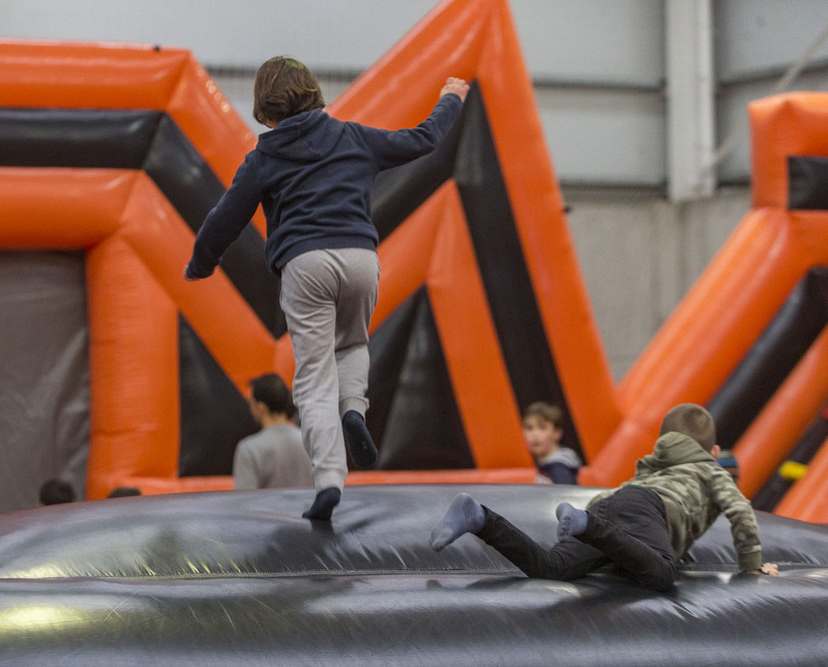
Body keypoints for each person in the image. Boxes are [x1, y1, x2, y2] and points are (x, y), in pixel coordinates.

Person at [185, 55, 469, 520]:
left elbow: (225, 219)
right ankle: (354, 409)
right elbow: (424, 139)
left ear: (266, 111)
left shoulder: (264, 158)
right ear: (313, 93)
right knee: (353, 343)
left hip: (305, 261)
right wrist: (450, 100)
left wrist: (200, 264)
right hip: (361, 256)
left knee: (314, 377)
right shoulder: (352, 136)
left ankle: (330, 480)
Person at [431, 403, 778, 591]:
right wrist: (753, 567)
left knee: (551, 568)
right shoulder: (713, 470)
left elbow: (630, 506)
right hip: (641, 509)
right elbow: (741, 511)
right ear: (714, 451)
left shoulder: (653, 466)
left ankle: (480, 517)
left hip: (613, 500)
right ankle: (587, 524)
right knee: (660, 576)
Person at [233, 373, 314, 490]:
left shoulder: (249, 449)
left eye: (251, 403)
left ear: (261, 408)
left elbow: (244, 500)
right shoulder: (309, 441)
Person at [522, 402, 581, 484]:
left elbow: (563, 495)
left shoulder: (559, 467)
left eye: (542, 428)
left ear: (557, 433)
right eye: (529, 428)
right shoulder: (543, 464)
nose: (535, 434)